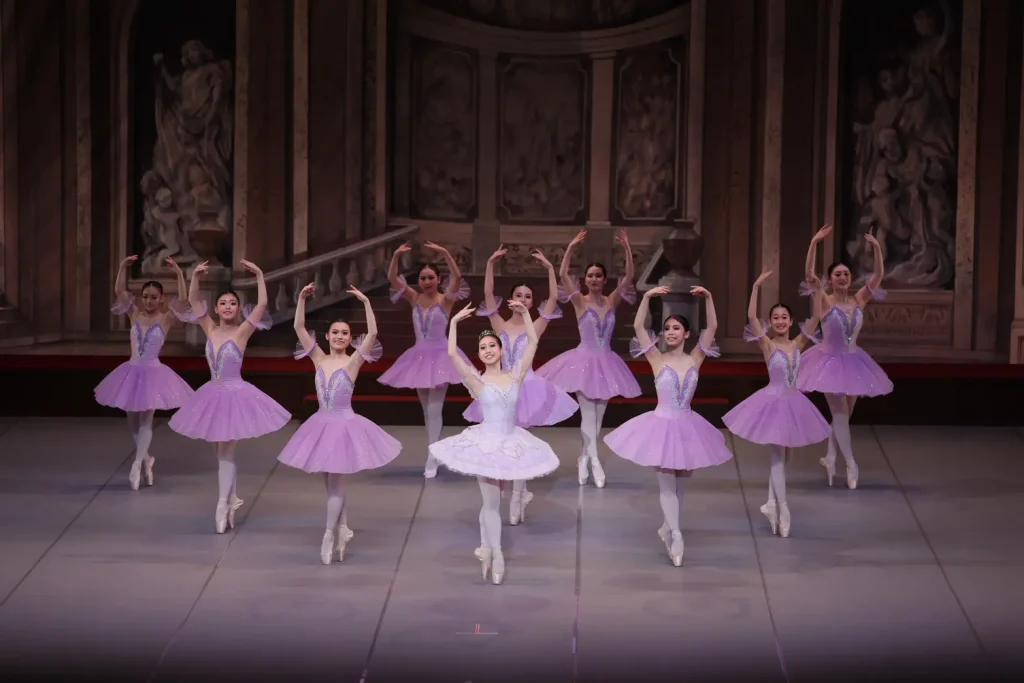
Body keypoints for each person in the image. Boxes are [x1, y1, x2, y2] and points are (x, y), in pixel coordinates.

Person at [428, 302, 560, 585]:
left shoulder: (515, 376)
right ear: (479, 354)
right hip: (485, 446)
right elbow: (451, 353)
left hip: (511, 443)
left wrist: (526, 314)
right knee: (491, 504)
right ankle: (497, 554)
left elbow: (533, 342)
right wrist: (454, 323)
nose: (487, 350)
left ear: (501, 350)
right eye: (482, 348)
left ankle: (486, 548)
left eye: (492, 346)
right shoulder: (475, 381)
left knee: (494, 501)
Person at [602, 285, 733, 567]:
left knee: (681, 487)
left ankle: (667, 527)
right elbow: (639, 327)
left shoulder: (696, 358)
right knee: (666, 485)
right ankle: (676, 534)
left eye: (676, 328)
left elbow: (712, 327)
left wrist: (710, 298)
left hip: (688, 426)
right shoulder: (656, 358)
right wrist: (647, 297)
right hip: (661, 426)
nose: (670, 332)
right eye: (667, 328)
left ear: (686, 334)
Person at [278, 283, 401, 564]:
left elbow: (373, 334)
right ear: (327, 335)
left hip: (344, 426)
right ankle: (343, 528)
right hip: (321, 425)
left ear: (350, 339)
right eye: (335, 332)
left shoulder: (353, 361)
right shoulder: (318, 358)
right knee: (330, 485)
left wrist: (366, 302)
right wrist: (300, 298)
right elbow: (298, 327)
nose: (340, 336)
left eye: (345, 333)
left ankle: (329, 535)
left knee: (336, 485)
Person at [169, 259, 291, 533]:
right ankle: (232, 498)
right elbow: (193, 300)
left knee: (226, 450)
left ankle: (222, 503)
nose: (227, 306)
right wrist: (195, 276)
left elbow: (261, 305)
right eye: (223, 303)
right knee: (219, 451)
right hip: (212, 394)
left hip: (236, 395)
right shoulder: (210, 329)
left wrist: (259, 273)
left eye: (232, 303)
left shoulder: (242, 332)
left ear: (238, 308)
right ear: (216, 308)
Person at [463, 245, 578, 524]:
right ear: (511, 299)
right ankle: (520, 491)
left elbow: (554, 297)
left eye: (527, 296)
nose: (523, 299)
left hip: (529, 388)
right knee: (505, 439)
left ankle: (517, 495)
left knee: (520, 441)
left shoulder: (535, 325)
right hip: (503, 388)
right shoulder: (499, 325)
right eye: (519, 295)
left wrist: (549, 268)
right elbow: (487, 294)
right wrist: (490, 262)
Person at [721, 269, 830, 537]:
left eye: (784, 317)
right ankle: (783, 508)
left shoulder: (798, 343)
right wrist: (756, 286)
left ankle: (770, 502)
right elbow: (751, 317)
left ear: (791, 321)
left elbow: (818, 316)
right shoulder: (768, 345)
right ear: (770, 322)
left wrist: (817, 290)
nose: (780, 321)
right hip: (773, 402)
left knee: (787, 456)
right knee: (778, 457)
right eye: (775, 318)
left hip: (794, 402)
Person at [536, 229, 641, 488]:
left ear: (604, 279)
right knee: (588, 415)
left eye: (598, 275)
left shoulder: (612, 300)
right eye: (590, 275)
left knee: (599, 418)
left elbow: (629, 277)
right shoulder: (579, 301)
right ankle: (594, 461)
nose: (594, 279)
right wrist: (571, 247)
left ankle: (583, 457)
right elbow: (563, 275)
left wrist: (627, 248)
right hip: (582, 363)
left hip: (607, 362)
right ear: (585, 279)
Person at [798, 225, 893, 490]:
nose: (842, 277)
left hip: (854, 362)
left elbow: (878, 275)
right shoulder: (824, 300)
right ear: (830, 279)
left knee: (845, 416)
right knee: (840, 413)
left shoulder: (859, 299)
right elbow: (809, 275)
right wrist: (814, 243)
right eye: (837, 274)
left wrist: (876, 247)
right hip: (828, 361)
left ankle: (830, 457)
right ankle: (851, 463)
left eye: (846, 274)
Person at [95, 255, 194, 490]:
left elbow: (183, 299)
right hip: (131, 372)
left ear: (161, 299)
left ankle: (137, 463)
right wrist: (122, 266)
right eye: (145, 297)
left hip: (153, 374)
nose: (148, 301)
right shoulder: (134, 313)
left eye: (153, 297)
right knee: (132, 421)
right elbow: (119, 291)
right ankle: (148, 458)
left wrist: (178, 273)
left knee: (146, 420)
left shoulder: (166, 319)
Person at [377, 242, 470, 478]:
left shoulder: (446, 300)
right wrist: (396, 255)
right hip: (418, 357)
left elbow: (457, 277)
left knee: (434, 407)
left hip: (441, 356)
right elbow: (392, 278)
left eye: (431, 277)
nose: (427, 281)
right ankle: (437, 451)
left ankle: (431, 455)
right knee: (426, 410)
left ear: (438, 280)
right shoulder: (414, 297)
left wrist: (446, 252)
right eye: (423, 278)